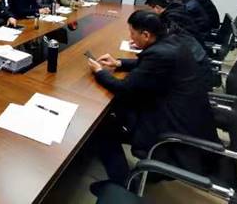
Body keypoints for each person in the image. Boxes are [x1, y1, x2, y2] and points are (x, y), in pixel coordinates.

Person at [87, 10, 218, 186]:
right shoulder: (171, 42)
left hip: (171, 125)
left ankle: (124, 184)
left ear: (146, 35)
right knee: (115, 113)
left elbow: (124, 88)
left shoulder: (159, 54)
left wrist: (99, 72)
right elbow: (149, 65)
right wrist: (119, 63)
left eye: (132, 33)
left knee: (104, 126)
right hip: (188, 115)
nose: (131, 37)